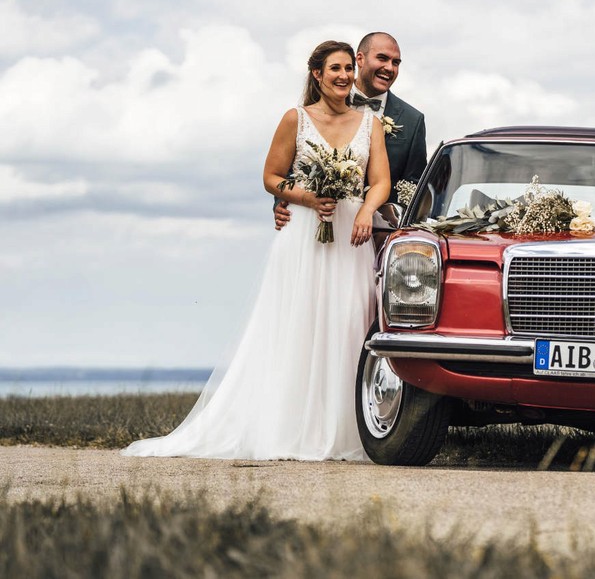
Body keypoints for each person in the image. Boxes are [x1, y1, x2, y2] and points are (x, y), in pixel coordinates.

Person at [123, 40, 390, 460]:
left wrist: (365, 212)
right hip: (302, 237)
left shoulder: (369, 123)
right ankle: (288, 426)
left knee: (347, 325)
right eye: (334, 68)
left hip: (350, 240)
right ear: (317, 74)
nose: (343, 76)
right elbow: (271, 176)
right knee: (297, 326)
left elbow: (381, 181)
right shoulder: (295, 118)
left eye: (347, 69)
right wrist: (308, 198)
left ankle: (344, 429)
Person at [275, 31, 425, 229]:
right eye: (382, 58)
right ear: (360, 60)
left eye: (395, 63)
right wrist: (283, 202)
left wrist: (388, 220)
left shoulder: (412, 120)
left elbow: (415, 188)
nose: (389, 68)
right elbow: (290, 165)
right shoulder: (322, 101)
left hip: (381, 233)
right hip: (313, 221)